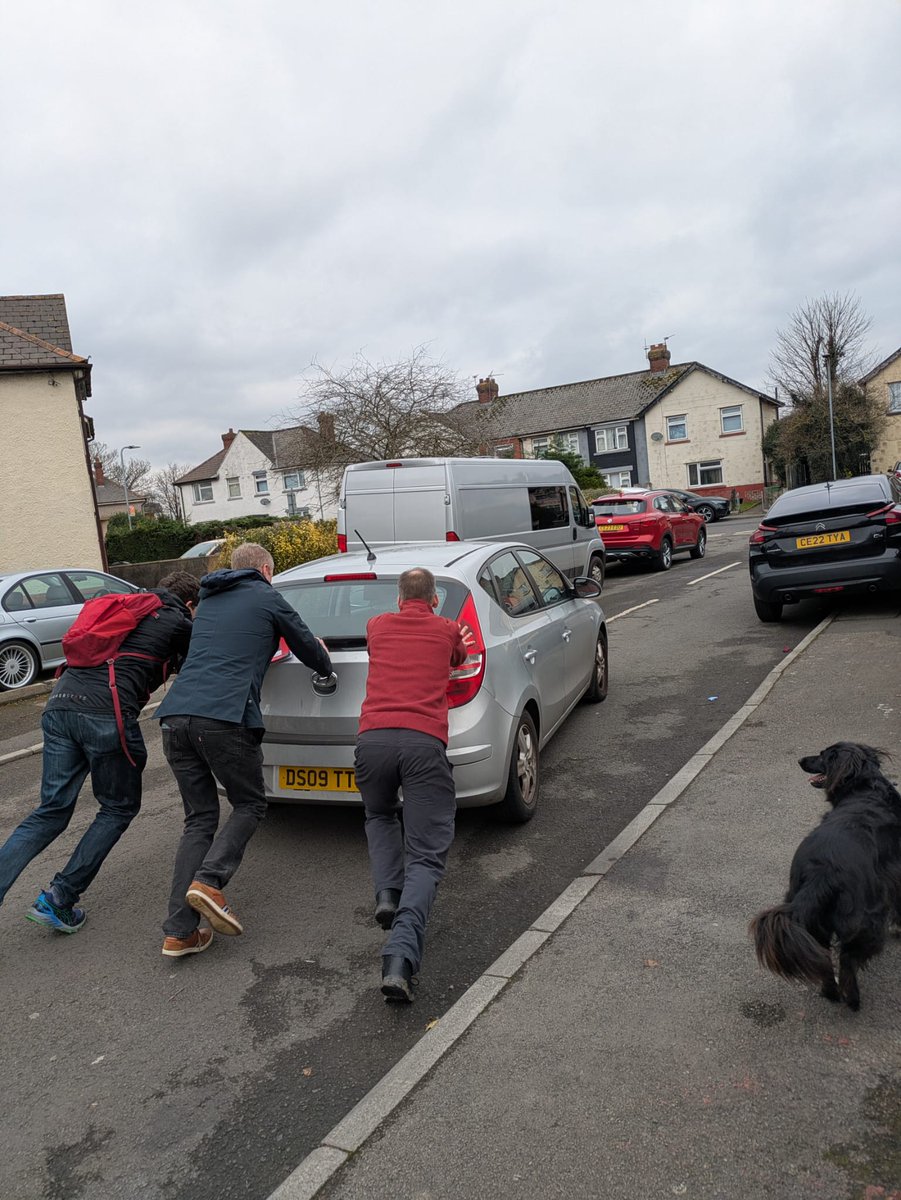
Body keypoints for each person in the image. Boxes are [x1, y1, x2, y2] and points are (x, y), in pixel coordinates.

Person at [157, 543, 331, 958]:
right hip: (224, 719)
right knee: (250, 803)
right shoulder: (267, 596)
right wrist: (326, 666)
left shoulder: (207, 601)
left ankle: (180, 932)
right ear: (267, 570)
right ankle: (209, 881)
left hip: (175, 718)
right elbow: (307, 647)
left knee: (199, 820)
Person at [0, 571, 199, 934]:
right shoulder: (176, 620)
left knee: (50, 811)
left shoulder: (124, 608)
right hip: (106, 713)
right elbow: (202, 663)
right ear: (189, 604)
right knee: (118, 807)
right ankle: (60, 897)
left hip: (59, 704)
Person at [355, 567, 473, 1002]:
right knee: (425, 856)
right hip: (423, 745)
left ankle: (387, 892)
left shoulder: (377, 624)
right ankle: (400, 958)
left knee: (379, 813)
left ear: (398, 596)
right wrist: (452, 633)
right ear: (436, 598)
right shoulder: (445, 629)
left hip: (373, 742)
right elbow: (458, 658)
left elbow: (376, 644)